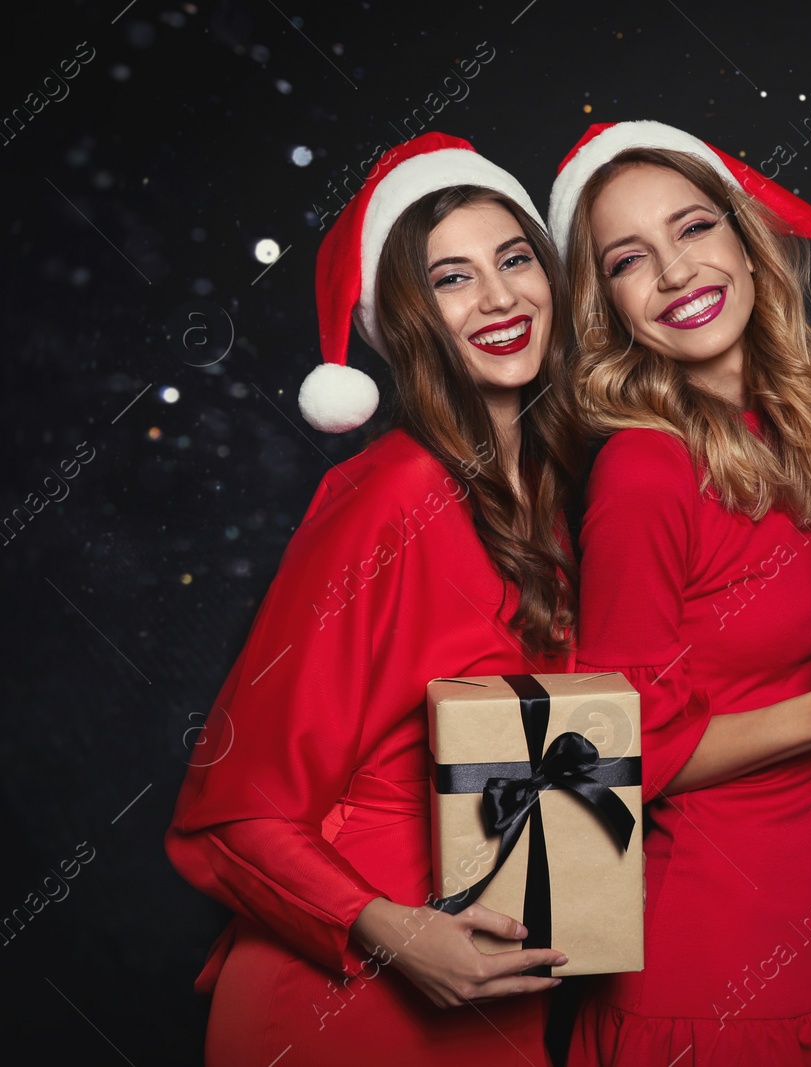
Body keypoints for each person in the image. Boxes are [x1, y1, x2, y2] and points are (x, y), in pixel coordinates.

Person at [548, 120, 811, 1065]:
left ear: (744, 241)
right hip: (702, 970)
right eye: (629, 258)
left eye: (694, 228)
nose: (675, 271)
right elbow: (617, 757)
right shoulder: (642, 472)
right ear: (607, 301)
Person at [165, 133, 585, 1065]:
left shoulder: (557, 505)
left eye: (515, 259)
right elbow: (235, 806)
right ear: (400, 321)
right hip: (349, 993)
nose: (501, 296)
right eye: (452, 279)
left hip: (500, 980)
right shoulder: (390, 496)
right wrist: (395, 933)